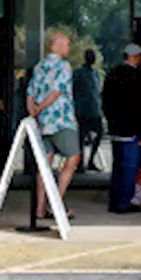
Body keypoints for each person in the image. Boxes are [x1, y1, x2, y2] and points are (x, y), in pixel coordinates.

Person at [27, 32, 81, 220]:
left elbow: (30, 93)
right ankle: (56, 202)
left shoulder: (39, 66)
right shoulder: (64, 66)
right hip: (61, 120)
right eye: (66, 45)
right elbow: (57, 92)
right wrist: (41, 108)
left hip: (43, 124)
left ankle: (40, 209)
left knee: (44, 165)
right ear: (57, 46)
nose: (68, 49)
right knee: (73, 158)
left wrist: (34, 111)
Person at [103, 42, 141, 213]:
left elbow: (105, 102)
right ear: (134, 57)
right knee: (129, 168)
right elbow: (139, 106)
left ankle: (114, 201)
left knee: (117, 167)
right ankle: (124, 203)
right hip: (131, 131)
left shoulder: (112, 74)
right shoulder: (135, 77)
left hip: (115, 130)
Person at [73, 48, 105, 172]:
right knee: (81, 137)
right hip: (83, 110)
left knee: (99, 133)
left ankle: (90, 160)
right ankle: (80, 163)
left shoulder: (95, 73)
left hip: (95, 110)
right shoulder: (78, 73)